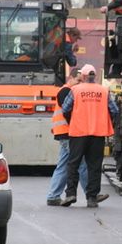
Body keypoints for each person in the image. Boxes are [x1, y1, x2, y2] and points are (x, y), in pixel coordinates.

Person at [61, 64, 118, 208]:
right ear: (95, 77)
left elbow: (66, 108)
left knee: (73, 163)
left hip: (78, 132)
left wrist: (72, 120)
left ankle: (71, 194)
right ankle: (92, 198)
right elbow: (114, 110)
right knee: (94, 166)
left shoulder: (75, 90)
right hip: (98, 133)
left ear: (84, 76)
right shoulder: (103, 91)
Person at [46, 68, 88, 205]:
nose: (80, 84)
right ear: (71, 78)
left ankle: (53, 196)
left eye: (82, 81)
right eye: (78, 80)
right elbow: (69, 113)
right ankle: (91, 194)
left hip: (65, 132)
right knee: (81, 162)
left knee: (63, 165)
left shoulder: (69, 91)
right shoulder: (66, 92)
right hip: (67, 133)